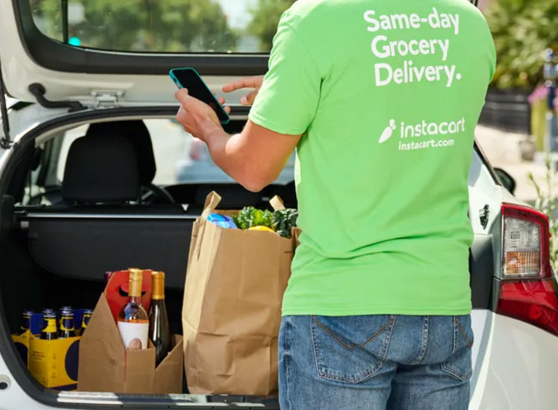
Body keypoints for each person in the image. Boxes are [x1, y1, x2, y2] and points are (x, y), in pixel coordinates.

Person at [174, 0, 495, 408]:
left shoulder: (314, 20)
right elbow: (399, 100)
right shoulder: (469, 24)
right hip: (442, 306)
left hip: (341, 310)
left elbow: (253, 169)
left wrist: (210, 130)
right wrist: (294, 95)